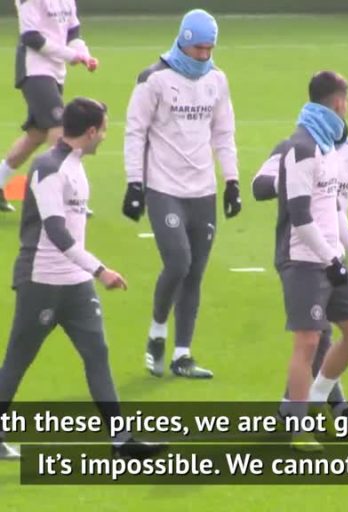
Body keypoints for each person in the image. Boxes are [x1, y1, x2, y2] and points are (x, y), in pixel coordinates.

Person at [0, 98, 162, 461]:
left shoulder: (75, 165)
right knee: (18, 359)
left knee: (97, 353)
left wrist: (87, 272)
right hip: (41, 281)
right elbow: (56, 231)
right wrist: (100, 271)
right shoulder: (48, 168)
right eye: (103, 129)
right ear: (90, 132)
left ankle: (121, 441)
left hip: (75, 283)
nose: (104, 136)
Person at [253, 122, 348, 432]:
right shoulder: (295, 149)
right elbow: (259, 186)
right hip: (300, 254)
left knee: (345, 333)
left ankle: (301, 406)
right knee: (315, 336)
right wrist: (294, 180)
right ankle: (326, 408)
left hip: (334, 251)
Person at [122, 9, 241, 380]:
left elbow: (223, 133)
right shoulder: (153, 79)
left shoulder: (217, 80)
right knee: (178, 262)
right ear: (184, 42)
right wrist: (134, 184)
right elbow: (135, 132)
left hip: (203, 190)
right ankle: (157, 333)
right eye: (199, 49)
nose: (204, 56)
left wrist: (232, 181)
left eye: (210, 49)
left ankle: (182, 354)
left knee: (195, 274)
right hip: (164, 188)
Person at [254, 71, 348, 449]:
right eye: (346, 102)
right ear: (338, 102)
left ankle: (315, 400)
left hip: (330, 256)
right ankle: (299, 428)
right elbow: (301, 217)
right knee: (307, 342)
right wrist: (331, 260)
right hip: (303, 260)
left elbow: (332, 208)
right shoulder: (302, 149)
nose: (347, 108)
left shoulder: (329, 148)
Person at [0, 0, 98, 213]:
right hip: (34, 69)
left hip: (55, 72)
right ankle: (64, 195)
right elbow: (31, 37)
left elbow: (72, 32)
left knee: (37, 135)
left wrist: (84, 54)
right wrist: (71, 55)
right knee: (59, 127)